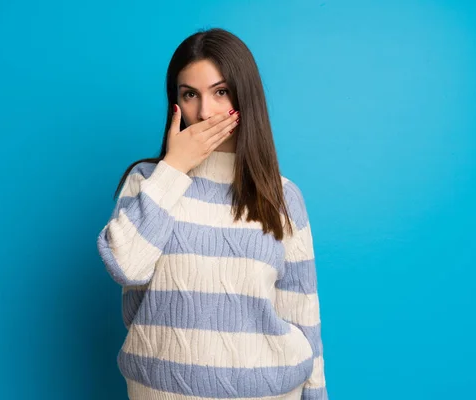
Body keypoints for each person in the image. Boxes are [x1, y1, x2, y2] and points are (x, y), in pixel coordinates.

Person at [97, 27, 328, 400]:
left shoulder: (282, 196)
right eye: (190, 95)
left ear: (244, 96)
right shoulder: (148, 183)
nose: (205, 112)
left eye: (221, 92)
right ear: (175, 104)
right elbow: (126, 266)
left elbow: (303, 315)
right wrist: (174, 168)